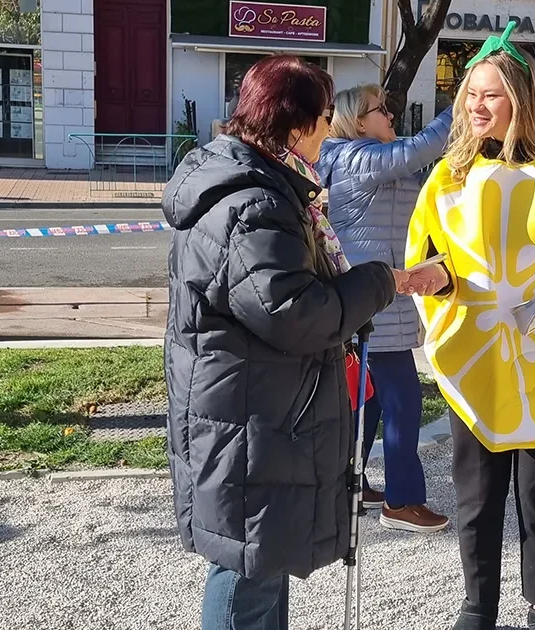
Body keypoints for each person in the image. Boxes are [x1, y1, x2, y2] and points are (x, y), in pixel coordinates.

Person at [161, 55, 407, 630]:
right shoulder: (257, 204)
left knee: (262, 559)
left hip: (251, 405)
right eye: (322, 118)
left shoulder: (256, 183)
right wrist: (381, 281)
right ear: (295, 126)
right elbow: (295, 313)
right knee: (248, 567)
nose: (328, 129)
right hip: (251, 415)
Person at [402, 22, 535, 630]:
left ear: (521, 100)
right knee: (476, 497)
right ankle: (478, 608)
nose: (476, 106)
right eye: (470, 94)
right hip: (476, 361)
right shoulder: (448, 177)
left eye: (490, 95)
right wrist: (431, 279)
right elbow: (437, 256)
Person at [317, 84, 453, 533]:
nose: (392, 116)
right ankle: (402, 501)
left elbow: (421, 170)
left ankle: (349, 487)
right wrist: (463, 104)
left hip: (379, 298)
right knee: (403, 402)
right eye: (382, 110)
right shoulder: (356, 158)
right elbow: (418, 150)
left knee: (369, 401)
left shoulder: (373, 160)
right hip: (374, 302)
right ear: (359, 121)